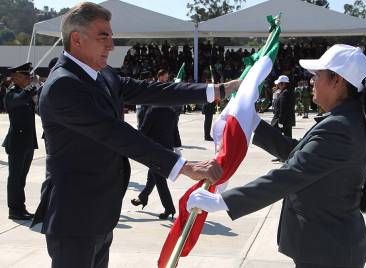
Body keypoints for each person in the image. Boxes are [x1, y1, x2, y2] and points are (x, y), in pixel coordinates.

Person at [30, 3, 240, 268]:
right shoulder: (63, 85)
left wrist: (216, 91)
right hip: (74, 214)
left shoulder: (102, 75)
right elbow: (118, 135)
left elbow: (154, 91)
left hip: (100, 209)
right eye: (103, 36)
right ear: (77, 39)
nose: (112, 45)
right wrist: (184, 167)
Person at [188, 44, 366, 268]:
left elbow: (291, 175)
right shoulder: (343, 120)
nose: (312, 81)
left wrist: (223, 201)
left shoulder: (339, 127)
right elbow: (296, 153)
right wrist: (254, 124)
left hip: (328, 251)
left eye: (317, 75)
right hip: (327, 246)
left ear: (338, 81)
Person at [131, 69, 177, 220]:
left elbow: (144, 130)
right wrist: (176, 147)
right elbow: (175, 132)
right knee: (153, 177)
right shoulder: (171, 112)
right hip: (167, 150)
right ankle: (142, 198)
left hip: (155, 151)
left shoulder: (153, 110)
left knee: (159, 181)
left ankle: (169, 208)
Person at [3, 62, 38, 220]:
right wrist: (33, 87)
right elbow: (20, 99)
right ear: (17, 77)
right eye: (27, 76)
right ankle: (14, 209)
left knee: (21, 178)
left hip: (27, 142)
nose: (29, 78)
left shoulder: (24, 92)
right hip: (17, 142)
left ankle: (20, 207)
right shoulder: (12, 93)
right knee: (15, 177)